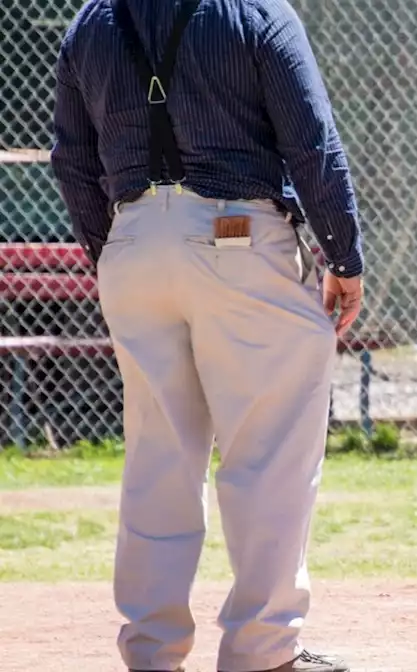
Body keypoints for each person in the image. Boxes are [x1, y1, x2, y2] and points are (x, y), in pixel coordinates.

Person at [50, 1, 362, 670]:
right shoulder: (255, 11)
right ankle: (262, 649)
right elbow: (311, 141)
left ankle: (153, 651)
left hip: (133, 239)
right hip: (237, 235)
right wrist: (343, 256)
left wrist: (119, 249)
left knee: (159, 455)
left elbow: (72, 159)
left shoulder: (91, 20)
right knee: (270, 447)